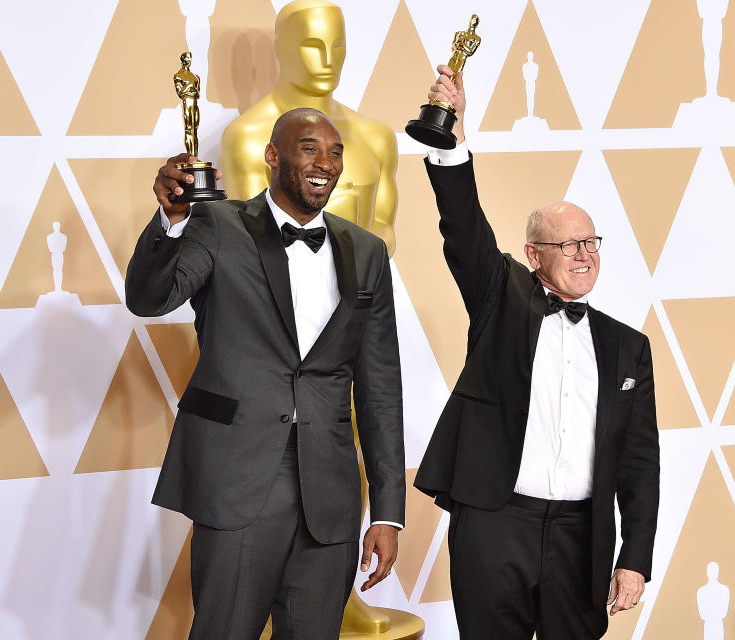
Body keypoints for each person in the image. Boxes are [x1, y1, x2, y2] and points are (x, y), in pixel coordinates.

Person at [126, 107, 405, 639]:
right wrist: (172, 220)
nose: (325, 163)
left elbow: (380, 389)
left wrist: (388, 512)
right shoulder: (218, 224)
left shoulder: (367, 252)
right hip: (239, 481)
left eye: (335, 151)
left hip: (330, 492)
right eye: (308, 148)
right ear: (272, 156)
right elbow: (148, 298)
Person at [414, 66, 660, 639]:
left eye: (591, 242)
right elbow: (465, 227)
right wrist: (452, 137)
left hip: (582, 535)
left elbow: (639, 461)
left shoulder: (630, 348)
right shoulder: (502, 296)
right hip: (497, 522)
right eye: (567, 243)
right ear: (533, 253)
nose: (584, 254)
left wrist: (637, 555)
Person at [220, 0, 399, 255]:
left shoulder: (377, 137)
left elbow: (385, 229)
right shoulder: (247, 137)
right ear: (281, 48)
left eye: (337, 47)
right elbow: (252, 242)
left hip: (364, 291)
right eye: (313, 46)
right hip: (282, 293)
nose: (328, 61)